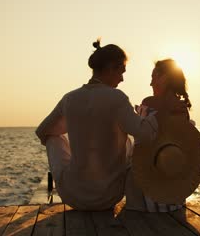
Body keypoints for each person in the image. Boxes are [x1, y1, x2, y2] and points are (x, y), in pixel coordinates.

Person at [35, 39, 158, 211]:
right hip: (110, 196)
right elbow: (146, 134)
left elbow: (42, 131)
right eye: (121, 71)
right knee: (130, 143)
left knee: (53, 138)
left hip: (73, 196)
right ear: (110, 68)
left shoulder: (70, 98)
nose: (122, 79)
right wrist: (144, 116)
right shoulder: (117, 98)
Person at [125, 59, 200, 212]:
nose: (151, 83)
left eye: (153, 77)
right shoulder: (182, 108)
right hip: (173, 186)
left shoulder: (149, 102)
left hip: (148, 181)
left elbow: (143, 140)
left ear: (165, 78)